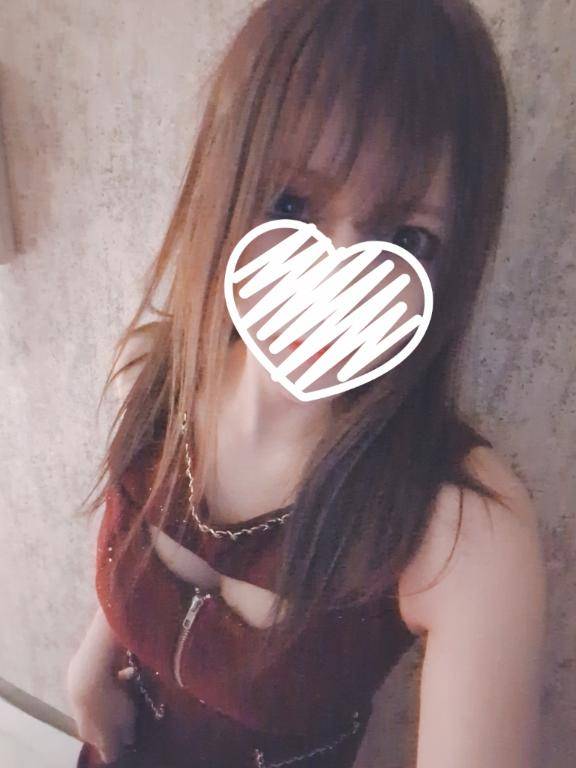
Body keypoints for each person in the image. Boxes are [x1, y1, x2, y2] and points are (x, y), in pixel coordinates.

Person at [66, 1, 547, 766]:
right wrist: (89, 670)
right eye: (289, 204)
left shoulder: (462, 528)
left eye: (406, 238)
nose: (332, 285)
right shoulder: (161, 377)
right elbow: (136, 546)